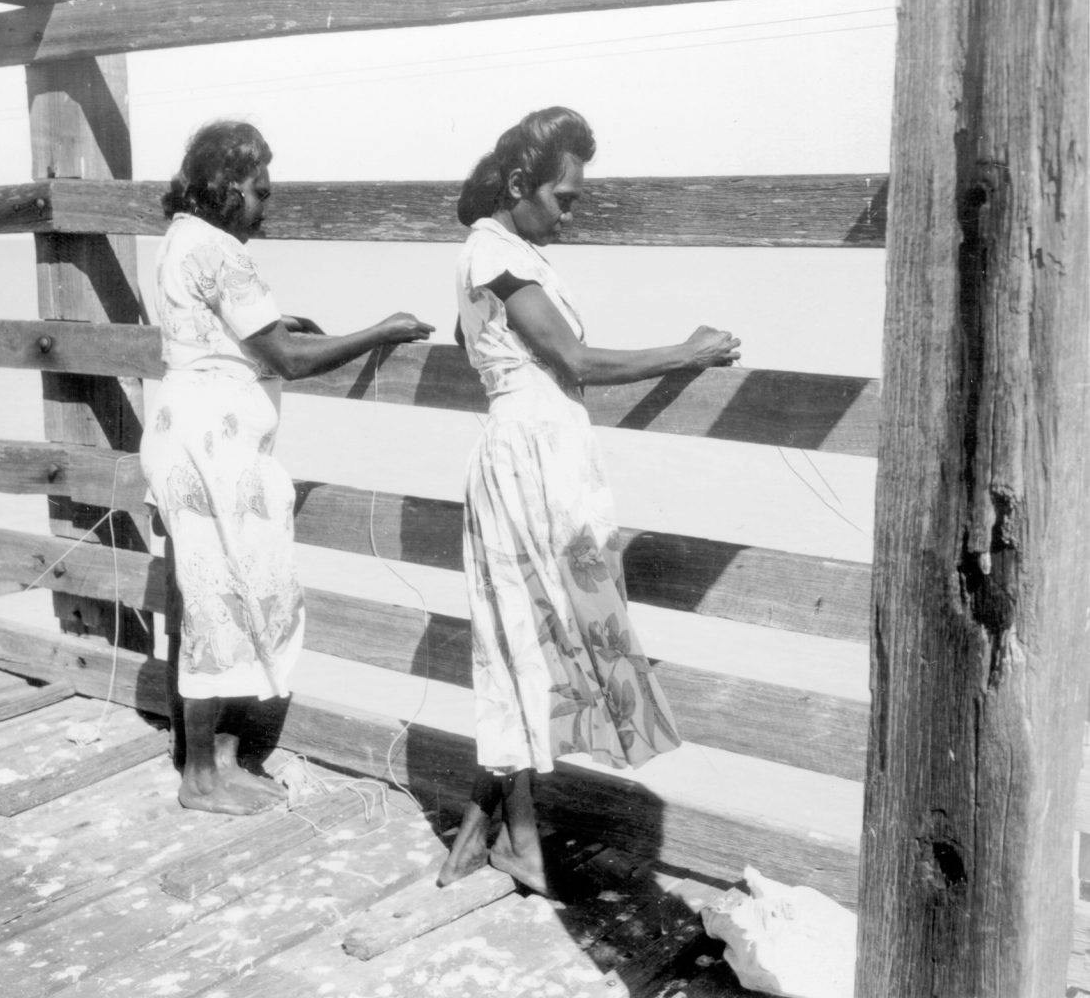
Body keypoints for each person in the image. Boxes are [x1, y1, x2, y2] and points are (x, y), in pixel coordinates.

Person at [438, 107, 741, 895]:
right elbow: (572, 358)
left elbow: (500, 350)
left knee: (541, 628)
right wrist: (689, 349)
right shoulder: (490, 255)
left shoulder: (501, 255)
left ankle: (506, 823)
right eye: (565, 197)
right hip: (532, 459)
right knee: (535, 629)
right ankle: (519, 832)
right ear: (517, 186)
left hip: (540, 453)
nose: (572, 211)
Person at [141, 120, 434, 815]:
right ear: (226, 185)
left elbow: (219, 328)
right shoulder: (223, 251)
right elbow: (290, 360)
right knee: (221, 605)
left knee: (213, 597)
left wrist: (271, 324)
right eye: (259, 191)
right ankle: (201, 779)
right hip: (217, 449)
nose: (265, 207)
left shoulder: (182, 237)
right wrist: (380, 331)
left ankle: (216, 759)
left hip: (182, 431)